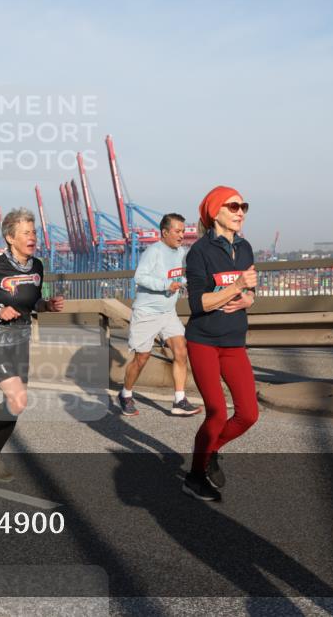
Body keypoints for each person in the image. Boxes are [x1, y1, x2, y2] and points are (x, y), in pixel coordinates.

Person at [0, 208, 64, 482]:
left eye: (34, 232)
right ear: (10, 238)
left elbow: (32, 303)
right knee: (18, 398)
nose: (32, 237)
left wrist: (47, 305)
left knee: (16, 404)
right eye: (26, 233)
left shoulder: (37, 266)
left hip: (21, 339)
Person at [182, 186, 258, 502]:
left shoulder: (245, 248)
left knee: (248, 414)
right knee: (215, 411)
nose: (241, 212)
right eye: (233, 206)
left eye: (243, 206)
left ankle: (210, 450)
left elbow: (250, 292)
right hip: (203, 340)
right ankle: (195, 476)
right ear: (216, 212)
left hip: (234, 341)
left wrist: (248, 299)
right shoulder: (199, 252)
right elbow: (198, 303)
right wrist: (236, 286)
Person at [118, 213, 203, 418]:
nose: (182, 235)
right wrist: (166, 285)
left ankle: (179, 400)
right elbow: (140, 277)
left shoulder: (180, 252)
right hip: (147, 313)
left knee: (181, 351)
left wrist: (184, 282)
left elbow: (176, 276)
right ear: (165, 232)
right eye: (177, 231)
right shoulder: (153, 251)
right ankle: (126, 393)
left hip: (168, 313)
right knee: (141, 358)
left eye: (183, 231)